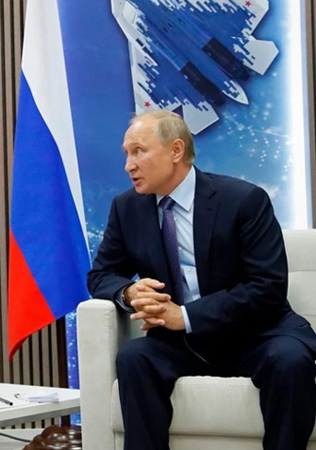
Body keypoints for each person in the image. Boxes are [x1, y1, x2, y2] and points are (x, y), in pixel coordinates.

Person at [87, 110, 316, 450]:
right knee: (135, 357)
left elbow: (266, 287)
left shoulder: (243, 200)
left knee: (291, 360)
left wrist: (184, 316)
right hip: (183, 344)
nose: (128, 165)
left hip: (256, 332)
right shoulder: (127, 208)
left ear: (176, 150)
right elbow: (100, 275)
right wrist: (129, 291)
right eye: (126, 154)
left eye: (138, 151)